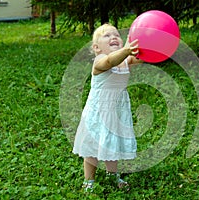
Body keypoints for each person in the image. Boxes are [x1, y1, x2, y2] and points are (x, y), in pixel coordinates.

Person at [72, 23, 142, 192]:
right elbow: (111, 60)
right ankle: (89, 180)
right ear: (96, 48)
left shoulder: (125, 60)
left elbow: (140, 58)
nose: (113, 37)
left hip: (117, 111)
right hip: (99, 111)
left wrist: (150, 46)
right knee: (92, 146)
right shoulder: (99, 61)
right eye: (107, 36)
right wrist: (125, 50)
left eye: (117, 35)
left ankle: (112, 174)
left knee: (112, 143)